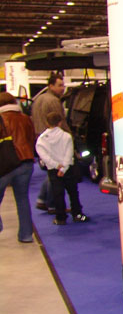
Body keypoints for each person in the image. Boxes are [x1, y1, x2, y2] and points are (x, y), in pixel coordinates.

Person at [35, 111, 89, 225]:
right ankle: (77, 214)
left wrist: (56, 165)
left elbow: (44, 156)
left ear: (47, 123)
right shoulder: (66, 136)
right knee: (73, 192)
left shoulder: (41, 139)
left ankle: (60, 218)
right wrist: (63, 168)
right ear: (60, 122)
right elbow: (69, 154)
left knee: (58, 194)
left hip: (53, 170)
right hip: (68, 168)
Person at [0, 92, 36, 243]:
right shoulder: (25, 118)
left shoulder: (2, 119)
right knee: (22, 199)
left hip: (6, 164)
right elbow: (31, 138)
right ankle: (26, 235)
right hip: (26, 162)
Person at [31, 72, 68, 213]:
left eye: (63, 85)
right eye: (60, 85)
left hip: (41, 139)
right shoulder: (53, 101)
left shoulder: (38, 99)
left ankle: (42, 199)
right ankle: (53, 205)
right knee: (56, 173)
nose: (63, 88)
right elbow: (61, 122)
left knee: (50, 172)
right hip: (54, 141)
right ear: (51, 86)